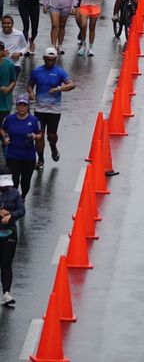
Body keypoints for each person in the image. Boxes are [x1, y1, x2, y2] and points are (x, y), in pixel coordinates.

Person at [27, 46, 75, 169]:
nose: (50, 62)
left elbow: (71, 85)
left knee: (51, 135)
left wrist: (58, 88)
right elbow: (30, 85)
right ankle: (40, 159)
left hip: (54, 110)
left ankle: (53, 146)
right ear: (44, 58)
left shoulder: (60, 72)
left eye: (53, 60)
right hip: (39, 110)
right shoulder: (36, 72)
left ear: (56, 59)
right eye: (48, 59)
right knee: (39, 136)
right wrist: (31, 93)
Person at [1, 94, 42, 199]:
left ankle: (23, 197)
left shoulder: (34, 120)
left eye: (24, 105)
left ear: (28, 106)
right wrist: (5, 137)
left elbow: (40, 134)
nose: (22, 107)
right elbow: (2, 129)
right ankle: (14, 200)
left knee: (25, 181)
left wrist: (34, 136)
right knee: (13, 181)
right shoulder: (9, 119)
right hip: (13, 156)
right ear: (16, 106)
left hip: (28, 157)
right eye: (20, 105)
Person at [0, 165, 25, 306]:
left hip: (9, 233)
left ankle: (6, 293)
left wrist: (10, 215)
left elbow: (21, 210)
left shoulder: (15, 194)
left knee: (6, 264)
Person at [0, 43, 16, 126]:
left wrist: (8, 89)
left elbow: (13, 81)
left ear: (3, 51)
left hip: (5, 103)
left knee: (3, 128)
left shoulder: (9, 64)